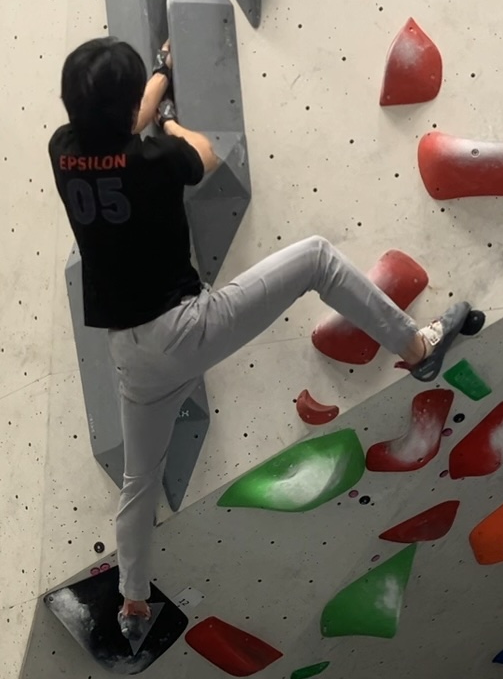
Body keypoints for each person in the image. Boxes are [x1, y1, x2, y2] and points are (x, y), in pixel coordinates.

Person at [48, 37, 476, 640]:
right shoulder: (155, 162)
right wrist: (170, 119)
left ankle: (134, 603)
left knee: (138, 483)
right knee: (316, 261)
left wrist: (161, 78)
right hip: (185, 329)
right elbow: (205, 154)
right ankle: (417, 350)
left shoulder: (62, 150)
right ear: (125, 115)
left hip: (131, 356)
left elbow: (124, 127)